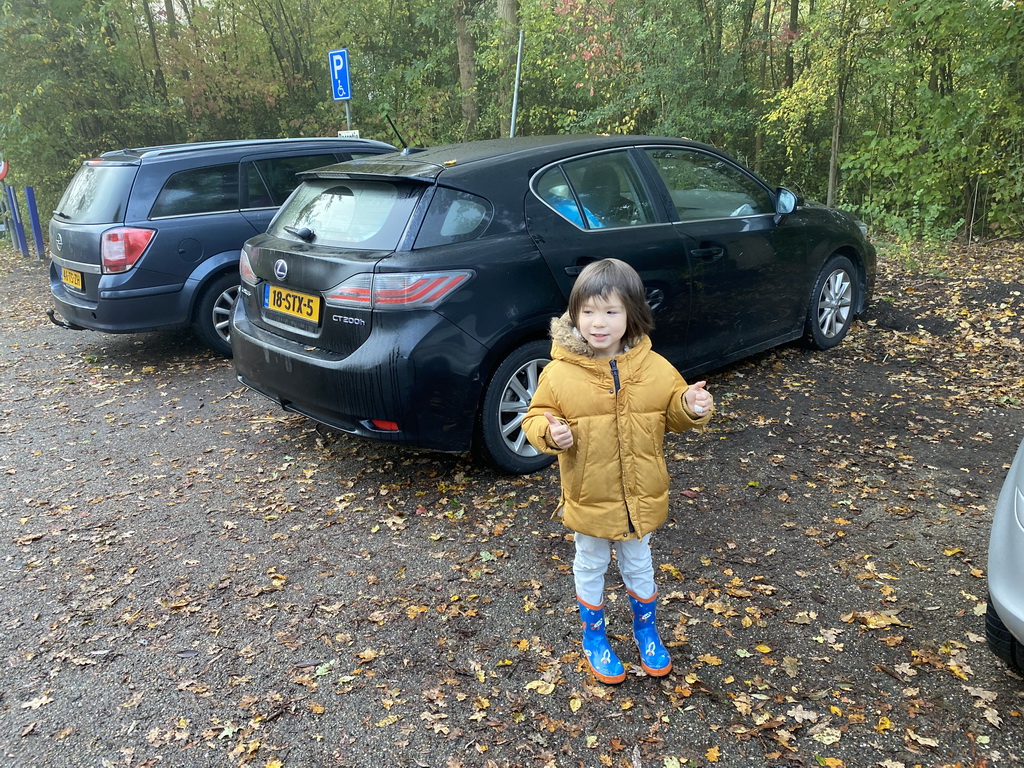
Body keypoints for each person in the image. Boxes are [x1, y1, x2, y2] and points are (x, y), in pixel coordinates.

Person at [523, 258, 713, 683]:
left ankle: (646, 629)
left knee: (639, 560)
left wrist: (691, 406)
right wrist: (552, 435)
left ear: (631, 314)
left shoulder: (655, 367)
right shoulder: (558, 374)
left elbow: (674, 411)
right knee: (590, 562)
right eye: (588, 311)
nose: (599, 322)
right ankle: (594, 637)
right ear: (574, 315)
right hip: (590, 493)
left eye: (611, 311)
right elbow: (535, 418)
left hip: (641, 492)